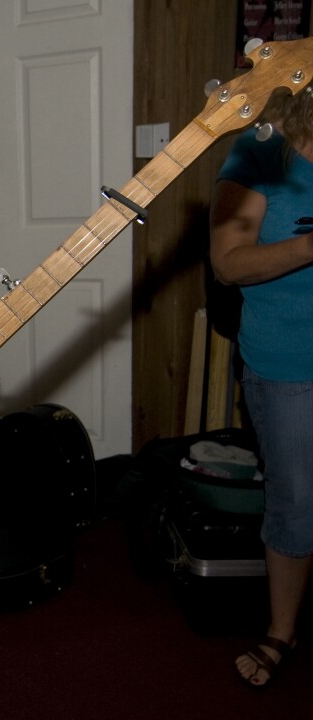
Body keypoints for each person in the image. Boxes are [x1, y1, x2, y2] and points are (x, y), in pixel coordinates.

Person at [209, 87, 313, 687]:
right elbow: (228, 261)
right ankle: (282, 629)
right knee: (297, 503)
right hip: (289, 361)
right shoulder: (259, 151)